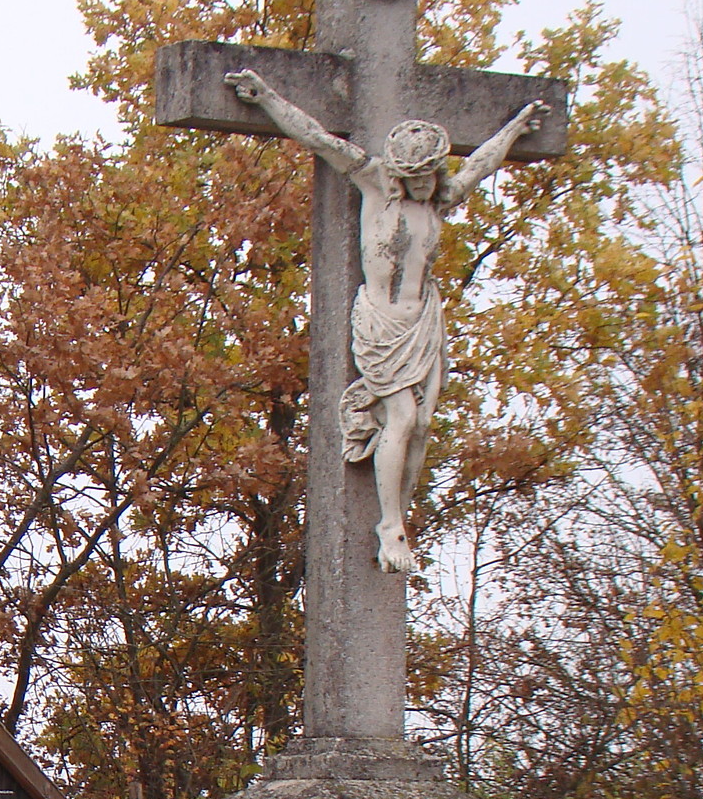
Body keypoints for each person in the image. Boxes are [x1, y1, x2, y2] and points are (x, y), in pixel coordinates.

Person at [225, 70, 547, 573]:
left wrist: (515, 129)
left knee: (421, 425)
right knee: (402, 417)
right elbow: (317, 137)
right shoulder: (373, 181)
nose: (421, 186)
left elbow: (481, 164)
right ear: (397, 174)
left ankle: (401, 517)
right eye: (412, 179)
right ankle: (389, 526)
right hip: (382, 323)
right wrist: (267, 97)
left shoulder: (439, 199)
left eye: (428, 177)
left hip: (424, 321)